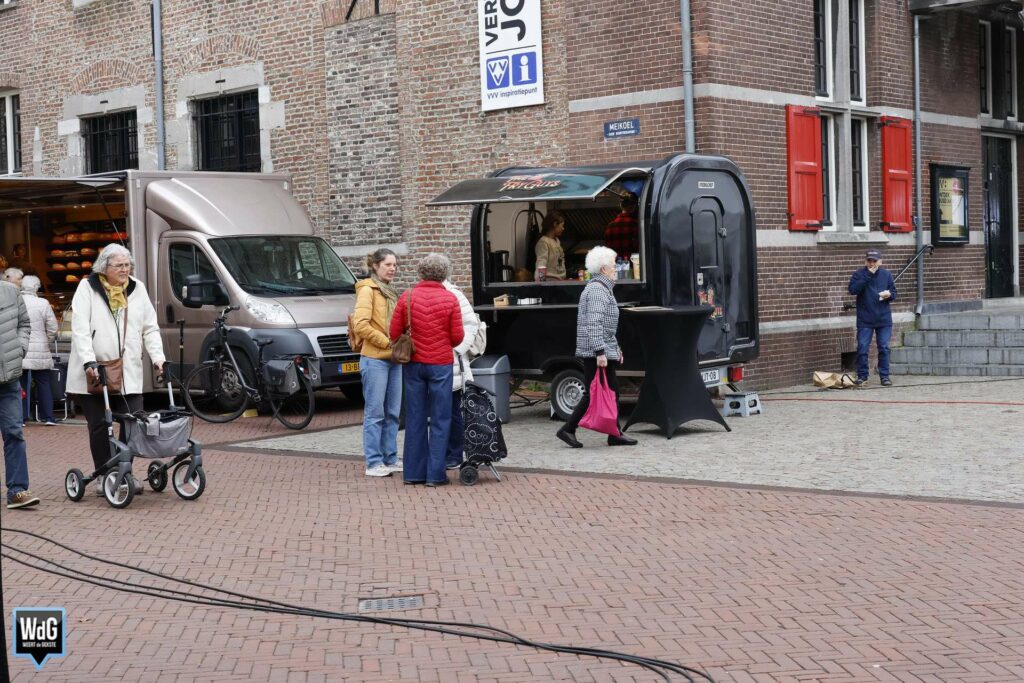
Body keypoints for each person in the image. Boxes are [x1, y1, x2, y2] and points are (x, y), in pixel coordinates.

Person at [67, 244, 166, 496]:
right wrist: (88, 361)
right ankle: (104, 475)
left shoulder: (137, 288)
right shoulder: (87, 288)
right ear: (104, 267)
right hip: (95, 372)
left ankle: (123, 472)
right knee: (100, 425)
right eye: (119, 265)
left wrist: (158, 358)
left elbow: (150, 327)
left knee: (134, 421)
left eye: (127, 265)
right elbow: (80, 328)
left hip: (128, 371)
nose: (124, 270)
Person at [389, 254, 464, 487]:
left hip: (414, 364)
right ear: (444, 273)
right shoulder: (450, 299)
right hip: (440, 364)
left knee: (415, 417)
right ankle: (436, 475)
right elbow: (457, 337)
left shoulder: (407, 296)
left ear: (421, 272)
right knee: (441, 418)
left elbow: (394, 332)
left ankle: (413, 473)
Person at [556, 246, 637, 449]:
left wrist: (615, 350)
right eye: (613, 265)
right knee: (594, 393)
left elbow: (606, 327)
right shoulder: (597, 291)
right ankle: (568, 429)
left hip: (600, 349)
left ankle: (614, 433)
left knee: (611, 391)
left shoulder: (601, 288)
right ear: (603, 269)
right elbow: (594, 323)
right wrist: (600, 352)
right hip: (595, 351)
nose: (616, 268)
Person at [353, 248, 403, 478]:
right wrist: (387, 342)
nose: (392, 269)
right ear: (375, 266)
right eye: (388, 265)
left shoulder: (391, 291)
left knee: (393, 413)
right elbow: (361, 325)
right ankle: (373, 462)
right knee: (375, 413)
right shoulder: (368, 290)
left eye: (394, 265)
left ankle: (390, 458)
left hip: (394, 358)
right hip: (375, 359)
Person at [1, 277, 37, 509]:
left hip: (9, 378)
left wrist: (19, 348)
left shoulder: (10, 291)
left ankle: (17, 490)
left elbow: (24, 323)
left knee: (14, 433)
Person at [443, 276, 481, 470]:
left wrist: (457, 349)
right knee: (441, 412)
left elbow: (471, 323)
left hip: (453, 363)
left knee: (453, 410)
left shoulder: (454, 294)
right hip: (436, 363)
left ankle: (454, 454)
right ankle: (443, 452)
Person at [848, 249, 897, 387]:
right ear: (865, 261)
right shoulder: (859, 274)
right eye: (869, 260)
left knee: (884, 347)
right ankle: (862, 376)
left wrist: (889, 295)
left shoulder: (886, 274)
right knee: (862, 348)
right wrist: (868, 275)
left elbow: (894, 293)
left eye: (874, 261)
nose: (871, 263)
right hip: (865, 319)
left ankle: (884, 376)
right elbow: (853, 290)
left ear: (880, 261)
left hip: (883, 319)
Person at [20, 276, 59, 425]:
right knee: (43, 383)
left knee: (21, 384)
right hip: (41, 348)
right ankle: (48, 417)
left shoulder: (17, 301)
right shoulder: (43, 303)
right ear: (36, 288)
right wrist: (46, 341)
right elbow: (53, 328)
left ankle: (21, 417)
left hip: (21, 348)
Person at [603, 192, 640, 261]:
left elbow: (608, 250)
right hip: (632, 264)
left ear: (620, 205)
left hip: (615, 264)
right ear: (635, 206)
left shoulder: (610, 227)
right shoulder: (636, 225)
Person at [534, 211, 567, 281]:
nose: (563, 228)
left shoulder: (557, 240)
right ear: (555, 224)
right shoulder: (543, 242)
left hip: (560, 281)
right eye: (562, 226)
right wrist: (542, 283)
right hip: (550, 282)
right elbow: (541, 264)